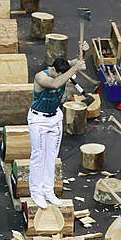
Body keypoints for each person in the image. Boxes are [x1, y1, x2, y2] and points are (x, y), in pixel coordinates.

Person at [27, 54, 86, 208]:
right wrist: (74, 68)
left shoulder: (63, 70)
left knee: (51, 156)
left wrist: (82, 55)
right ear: (52, 69)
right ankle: (36, 192)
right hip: (39, 120)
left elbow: (76, 62)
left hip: (54, 118)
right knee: (38, 156)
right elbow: (55, 84)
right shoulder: (41, 76)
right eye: (60, 75)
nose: (63, 79)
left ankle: (48, 191)